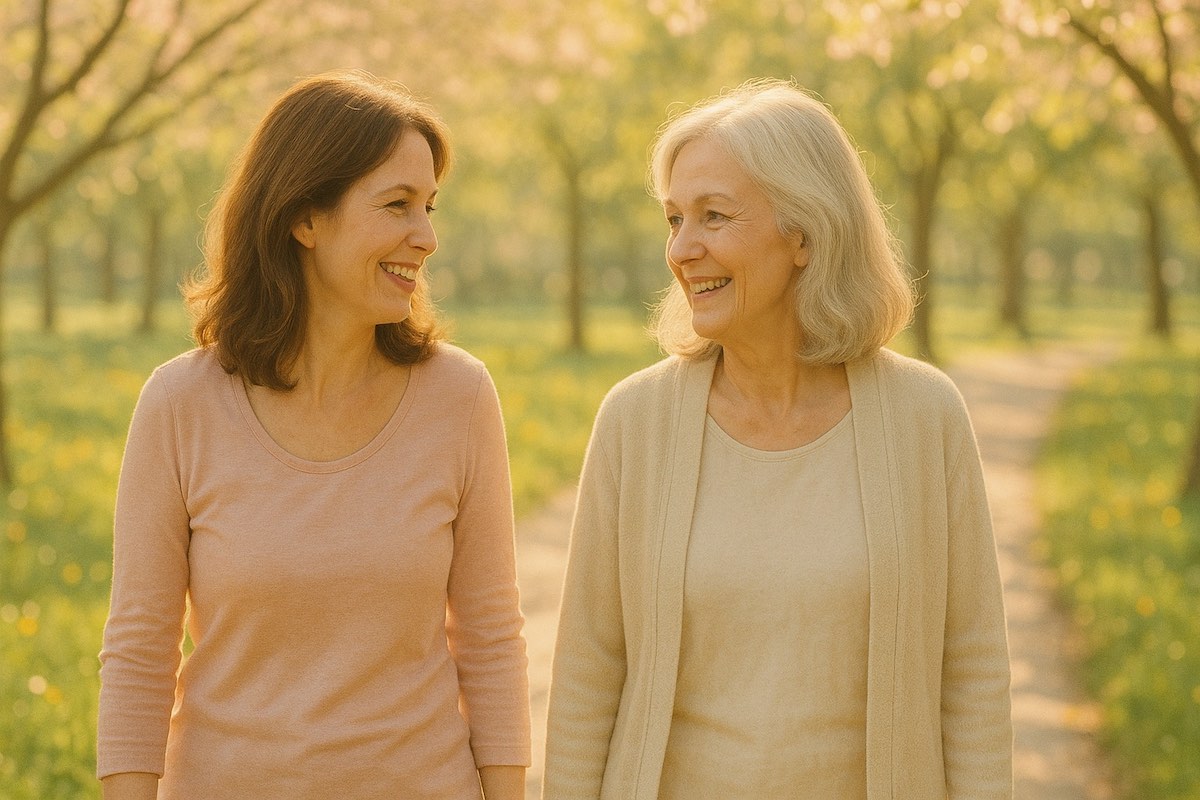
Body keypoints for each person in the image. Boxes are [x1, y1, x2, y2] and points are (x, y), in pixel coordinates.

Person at [542, 79, 1012, 799]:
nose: (682, 249)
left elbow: (972, 667)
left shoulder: (926, 418)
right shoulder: (634, 423)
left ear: (803, 232)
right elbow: (586, 676)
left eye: (714, 216)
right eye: (673, 220)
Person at [97, 70, 530, 800]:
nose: (424, 237)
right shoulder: (180, 404)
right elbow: (140, 651)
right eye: (396, 205)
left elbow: (489, 639)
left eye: (428, 207)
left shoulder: (459, 397)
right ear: (304, 218)